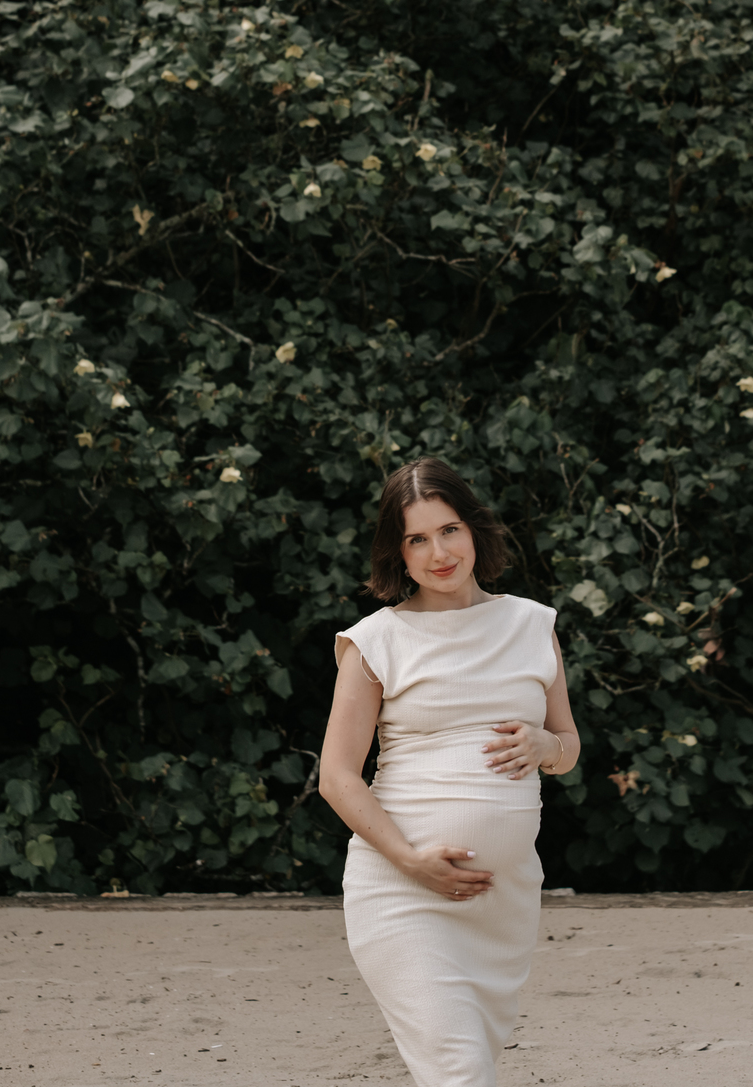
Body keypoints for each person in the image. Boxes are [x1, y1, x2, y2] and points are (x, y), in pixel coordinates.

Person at [319, 456, 581, 1087]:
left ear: (473, 529)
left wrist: (545, 745)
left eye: (449, 530)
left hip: (502, 903)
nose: (438, 553)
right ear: (398, 553)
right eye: (417, 539)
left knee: (465, 1069)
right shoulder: (375, 640)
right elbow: (337, 777)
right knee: (461, 1074)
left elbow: (569, 747)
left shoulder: (532, 625)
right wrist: (410, 861)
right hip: (402, 891)